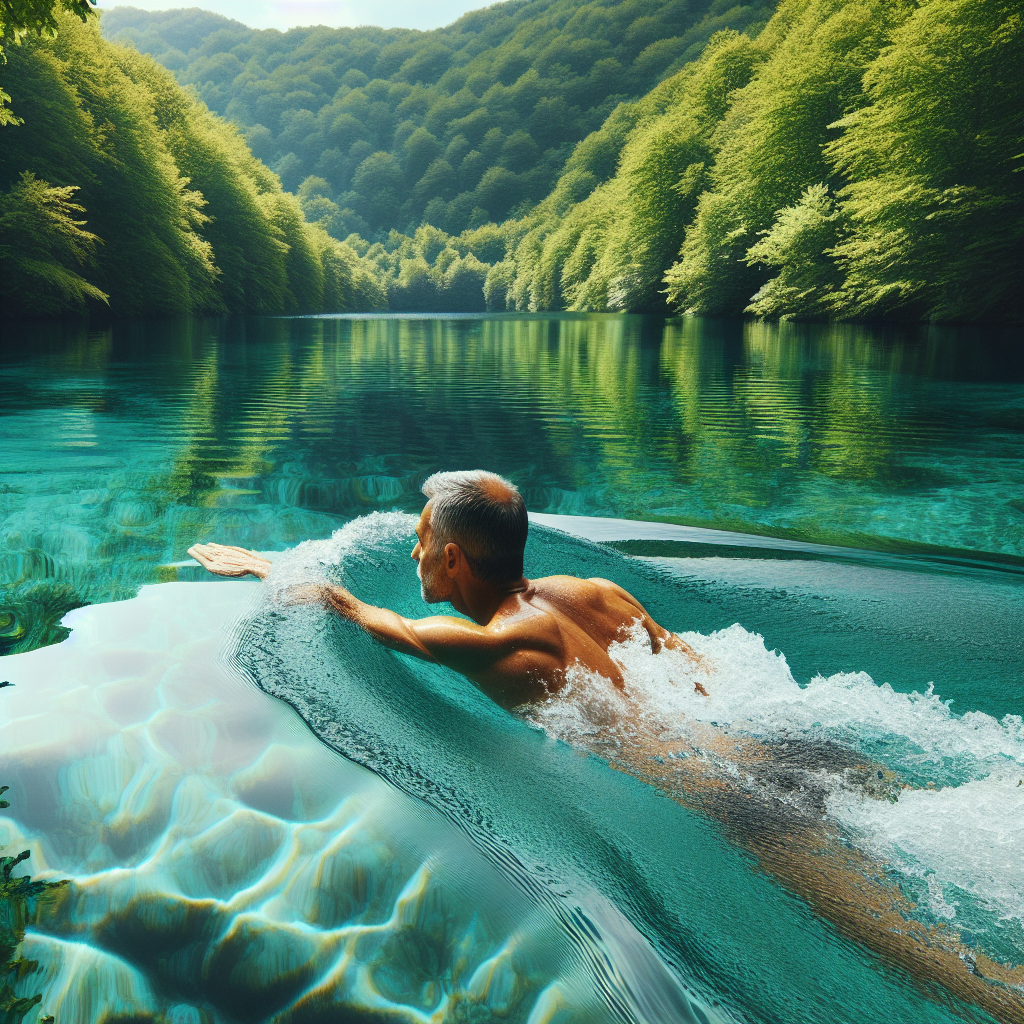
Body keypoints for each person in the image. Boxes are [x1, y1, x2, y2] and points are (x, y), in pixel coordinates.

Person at [187, 469, 709, 708]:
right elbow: (697, 672)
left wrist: (269, 569)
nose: (415, 554)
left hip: (707, 789)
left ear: (453, 557)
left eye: (422, 540)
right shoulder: (601, 591)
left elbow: (357, 610)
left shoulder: (493, 642)